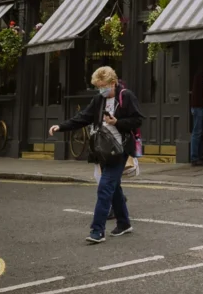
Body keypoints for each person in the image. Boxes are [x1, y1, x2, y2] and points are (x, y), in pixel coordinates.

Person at [49, 66, 142, 243]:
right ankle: (124, 223)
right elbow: (83, 117)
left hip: (120, 150)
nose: (101, 90)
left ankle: (97, 231)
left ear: (113, 83)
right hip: (103, 150)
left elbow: (137, 120)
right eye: (98, 87)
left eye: (103, 86)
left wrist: (117, 122)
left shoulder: (126, 96)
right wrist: (61, 126)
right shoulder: (99, 99)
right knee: (113, 187)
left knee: (104, 187)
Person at [190, 60, 203, 166]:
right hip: (199, 106)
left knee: (200, 132)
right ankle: (195, 157)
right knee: (198, 132)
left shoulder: (201, 71)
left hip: (199, 106)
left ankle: (199, 156)